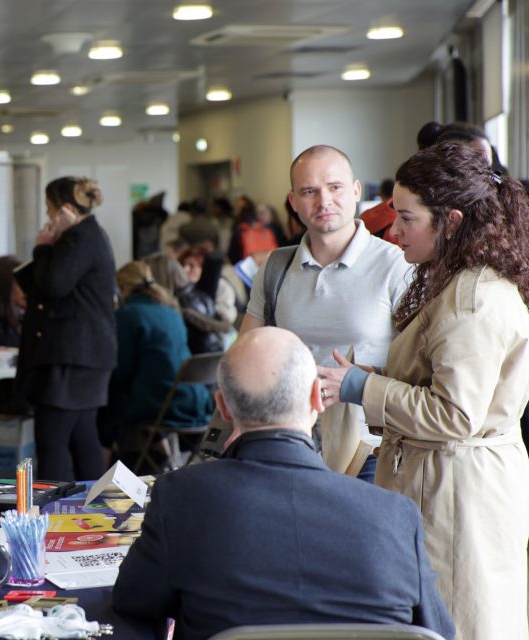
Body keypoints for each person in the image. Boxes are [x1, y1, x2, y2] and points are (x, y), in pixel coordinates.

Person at [112, 327, 454, 640]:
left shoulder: (180, 498)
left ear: (223, 408)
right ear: (317, 398)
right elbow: (438, 633)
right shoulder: (395, 516)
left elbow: (132, 605)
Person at [318, 141, 529, 640]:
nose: (393, 231)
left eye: (407, 218)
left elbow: (455, 414)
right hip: (449, 482)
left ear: (451, 222)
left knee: (457, 623)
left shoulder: (471, 300)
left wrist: (365, 388)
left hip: (458, 494)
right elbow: (444, 381)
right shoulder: (460, 282)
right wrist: (376, 378)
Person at [241, 145, 411, 480]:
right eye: (309, 191)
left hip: (371, 450)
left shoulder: (398, 266)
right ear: (293, 202)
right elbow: (246, 354)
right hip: (292, 445)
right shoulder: (275, 268)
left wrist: (362, 380)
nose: (324, 201)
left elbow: (421, 370)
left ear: (356, 191)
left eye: (335, 187)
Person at [14, 177, 116, 481]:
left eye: (50, 209)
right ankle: (91, 500)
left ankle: (53, 505)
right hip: (87, 354)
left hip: (73, 355)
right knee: (82, 435)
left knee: (52, 439)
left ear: (66, 210)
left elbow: (55, 284)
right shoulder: (91, 235)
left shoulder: (79, 238)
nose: (47, 217)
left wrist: (42, 248)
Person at [99, 261, 212, 464]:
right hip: (195, 400)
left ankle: (100, 471)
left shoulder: (127, 315)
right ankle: (164, 457)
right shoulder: (171, 311)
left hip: (164, 405)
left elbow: (121, 370)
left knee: (106, 404)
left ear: (122, 288)